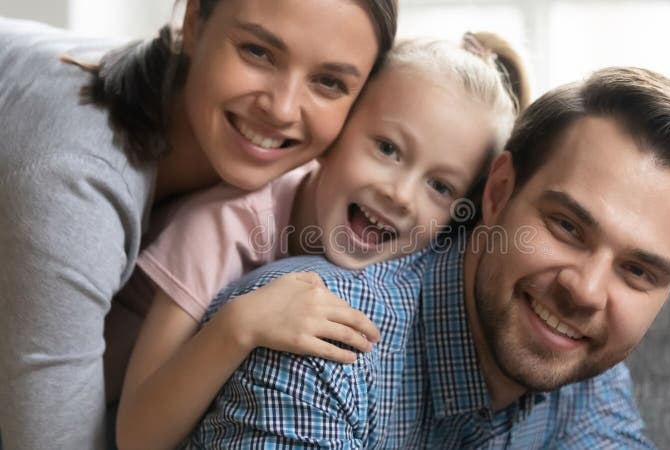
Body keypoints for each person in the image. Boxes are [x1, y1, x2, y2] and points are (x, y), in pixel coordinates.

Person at [185, 66, 670, 448]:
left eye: (637, 272)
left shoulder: (586, 365)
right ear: (497, 192)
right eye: (567, 226)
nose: (587, 291)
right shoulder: (318, 343)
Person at [0, 0, 397, 448]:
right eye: (258, 52)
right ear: (193, 22)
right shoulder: (72, 186)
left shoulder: (296, 177)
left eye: (328, 82)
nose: (283, 109)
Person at [115, 33, 527, 450]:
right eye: (387, 149)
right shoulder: (218, 228)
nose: (400, 195)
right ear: (335, 135)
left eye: (439, 186)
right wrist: (240, 325)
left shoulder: (409, 269)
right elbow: (136, 436)